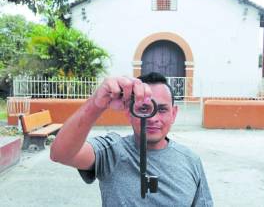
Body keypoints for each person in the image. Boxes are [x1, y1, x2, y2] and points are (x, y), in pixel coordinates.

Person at [50, 72, 213, 206]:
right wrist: (96, 104)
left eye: (162, 109)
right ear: (129, 113)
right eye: (144, 109)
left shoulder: (190, 161)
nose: (153, 117)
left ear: (174, 113)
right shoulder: (111, 151)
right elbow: (60, 154)